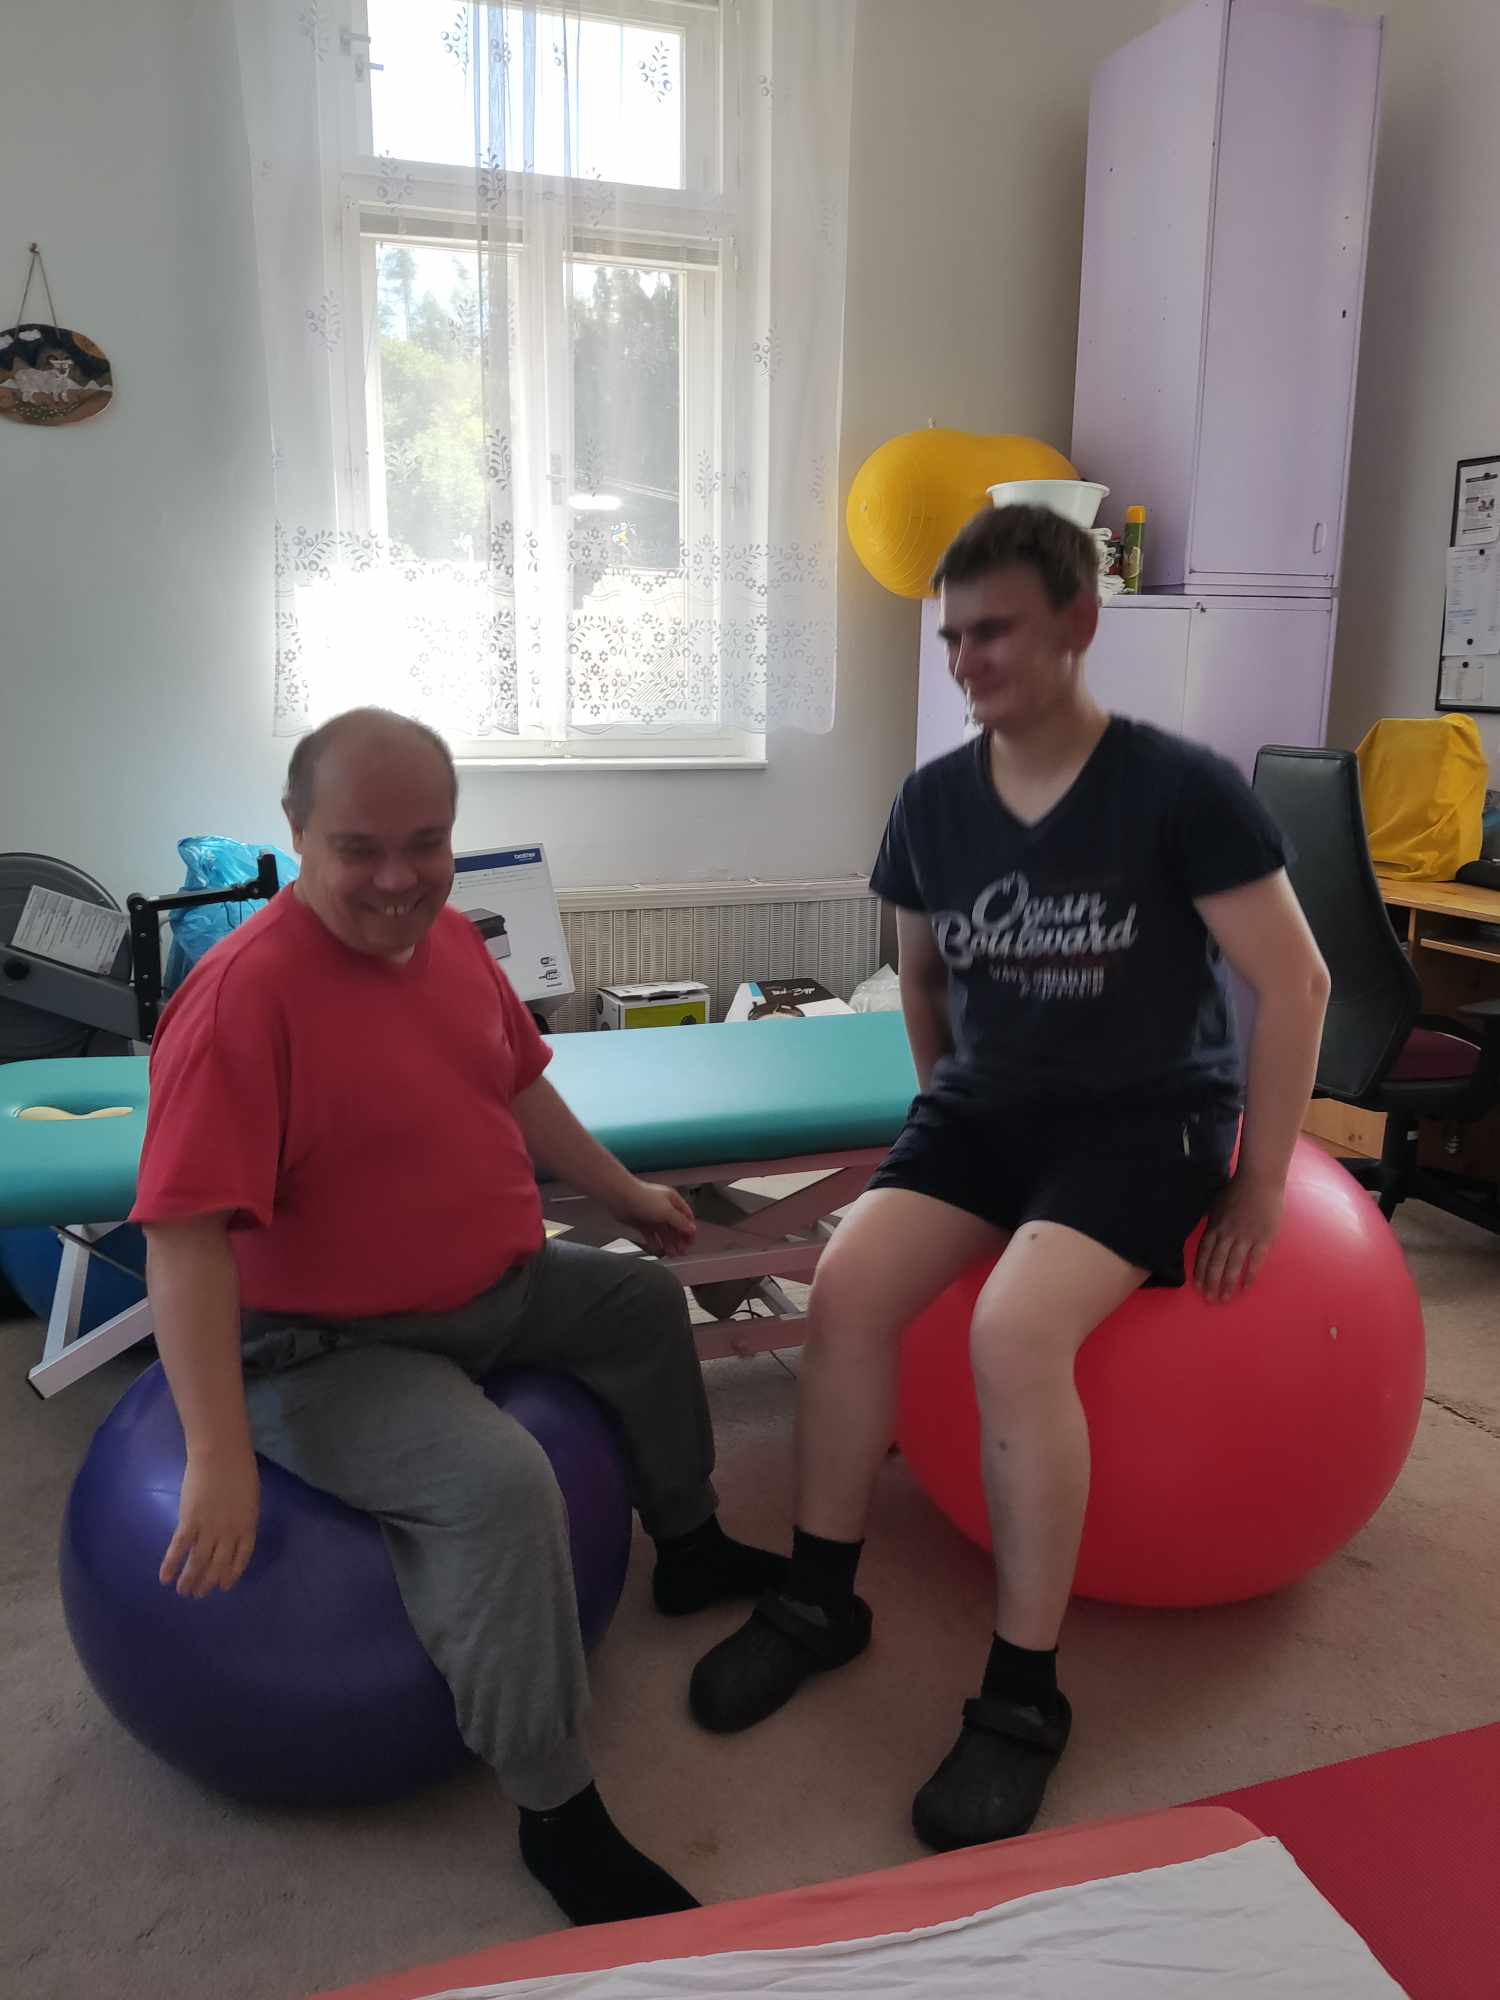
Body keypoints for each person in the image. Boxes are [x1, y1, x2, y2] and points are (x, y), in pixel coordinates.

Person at [689, 504, 1330, 1852]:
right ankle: (819, 1597)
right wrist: (947, 1113)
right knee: (846, 1282)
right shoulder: (932, 802)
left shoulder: (1178, 789)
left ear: (1078, 624)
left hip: (1147, 1120)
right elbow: (922, 977)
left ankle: (1025, 1694)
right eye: (953, 638)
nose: (968, 660)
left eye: (995, 632)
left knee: (1012, 1330)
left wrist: (1262, 1181)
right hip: (990, 1114)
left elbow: (1298, 981)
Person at [130, 707, 787, 1926]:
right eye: (359, 847)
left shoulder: (448, 939)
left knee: (641, 1302)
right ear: (296, 833)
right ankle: (558, 1813)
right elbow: (181, 1237)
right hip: (324, 1347)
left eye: (424, 842)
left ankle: (690, 1545)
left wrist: (624, 1193)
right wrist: (216, 1452)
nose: (398, 878)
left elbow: (521, 1084)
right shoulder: (240, 1000)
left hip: (491, 1285)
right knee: (501, 1482)